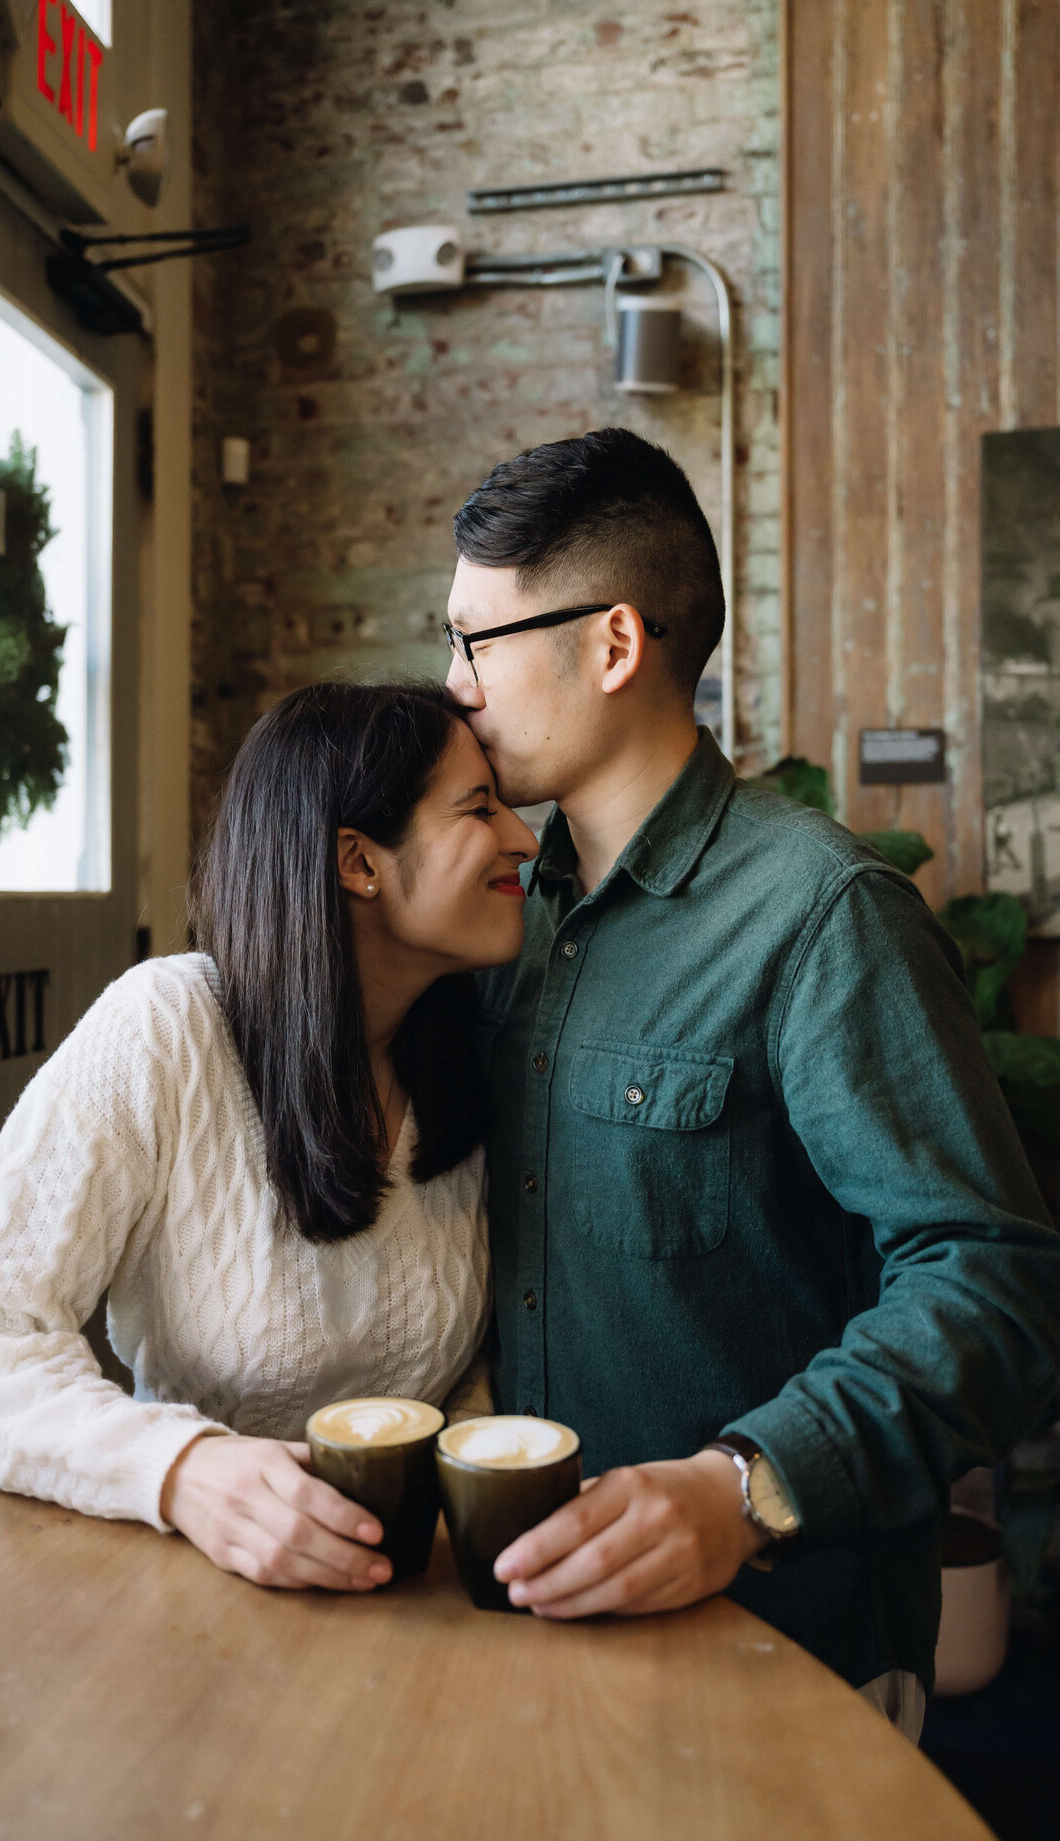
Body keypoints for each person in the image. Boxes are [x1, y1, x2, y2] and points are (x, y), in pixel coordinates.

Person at [443, 426, 1060, 1741]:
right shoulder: (502, 911)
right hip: (526, 1643)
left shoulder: (825, 915)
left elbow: (998, 1285)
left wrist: (746, 1487)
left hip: (787, 1661)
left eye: (475, 643)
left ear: (612, 646)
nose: (457, 687)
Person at [0, 683, 535, 1594]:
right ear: (359, 861)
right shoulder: (167, 1027)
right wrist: (183, 1469)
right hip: (189, 1598)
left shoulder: (467, 1047)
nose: (525, 838)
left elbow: (470, 1371)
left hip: (410, 1603)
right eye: (480, 808)